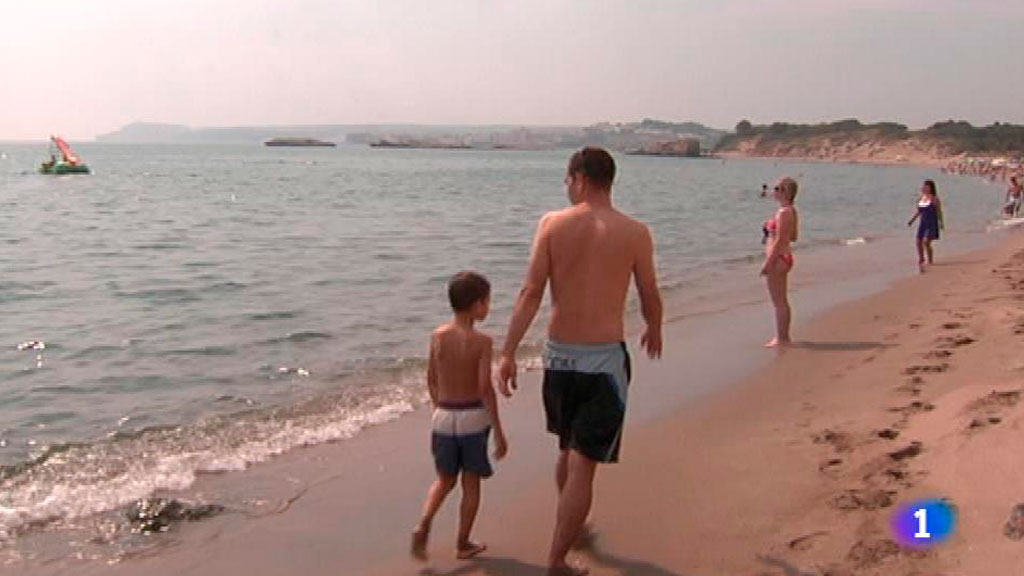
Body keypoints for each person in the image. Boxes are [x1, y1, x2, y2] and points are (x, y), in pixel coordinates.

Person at [498, 147, 663, 576]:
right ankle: (557, 558)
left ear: (581, 178)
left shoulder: (552, 225)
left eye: (567, 180)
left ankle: (573, 523)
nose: (566, 187)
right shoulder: (635, 232)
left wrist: (508, 351)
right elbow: (649, 290)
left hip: (559, 361)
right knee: (583, 464)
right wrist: (654, 326)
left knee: (568, 449)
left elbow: (530, 293)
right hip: (604, 363)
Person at [412, 271, 508, 561]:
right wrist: (499, 431)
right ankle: (463, 543)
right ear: (477, 304)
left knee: (444, 479)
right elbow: (484, 388)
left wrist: (438, 409)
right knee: (471, 483)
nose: (488, 307)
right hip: (472, 417)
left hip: (443, 415)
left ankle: (424, 522)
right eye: (487, 301)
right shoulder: (482, 341)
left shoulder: (438, 336)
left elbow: (431, 379)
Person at [761, 177, 799, 348]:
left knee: (778, 301)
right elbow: (793, 236)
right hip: (784, 257)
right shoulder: (790, 211)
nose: (774, 191)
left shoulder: (783, 212)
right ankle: (783, 336)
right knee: (781, 300)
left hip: (778, 259)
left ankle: (782, 338)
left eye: (777, 188)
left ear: (786, 192)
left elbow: (781, 240)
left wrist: (768, 263)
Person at [907, 179, 943, 273]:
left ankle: (930, 260)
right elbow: (919, 211)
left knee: (926, 242)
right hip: (923, 223)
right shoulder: (922, 199)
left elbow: (939, 212)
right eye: (924, 186)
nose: (925, 188)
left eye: (927, 186)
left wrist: (941, 223)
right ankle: (921, 258)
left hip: (932, 223)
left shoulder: (935, 199)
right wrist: (912, 220)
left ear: (931, 188)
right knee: (918, 241)